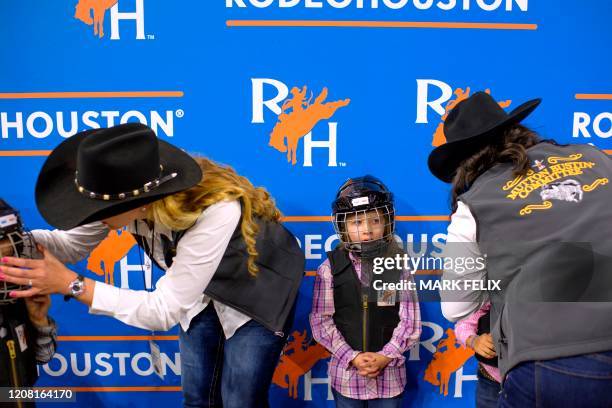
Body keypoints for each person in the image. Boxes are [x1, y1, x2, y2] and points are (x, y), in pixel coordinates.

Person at [0, 123, 305, 408]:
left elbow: (162, 310)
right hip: (196, 289)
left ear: (139, 202)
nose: (89, 216)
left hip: (257, 289)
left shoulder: (217, 210)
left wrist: (72, 284)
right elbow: (69, 245)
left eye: (98, 210)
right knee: (197, 395)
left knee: (240, 398)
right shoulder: (126, 192)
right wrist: (13, 242)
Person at [429, 91, 612, 407]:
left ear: (463, 161)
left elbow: (455, 308)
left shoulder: (474, 205)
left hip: (552, 358)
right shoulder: (596, 156)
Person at [310, 175, 421, 408]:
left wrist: (385, 356)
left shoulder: (397, 267)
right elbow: (321, 321)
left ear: (387, 223)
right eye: (357, 223)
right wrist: (353, 357)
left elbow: (410, 322)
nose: (367, 230)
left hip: (389, 376)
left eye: (375, 221)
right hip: (347, 377)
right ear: (343, 227)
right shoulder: (330, 269)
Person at [0, 199, 57, 407]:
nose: (5, 268)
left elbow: (42, 357)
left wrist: (39, 322)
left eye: (9, 255)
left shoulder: (17, 298)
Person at [454, 301, 501, 407]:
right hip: (492, 380)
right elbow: (463, 324)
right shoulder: (493, 289)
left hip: (533, 378)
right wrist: (474, 341)